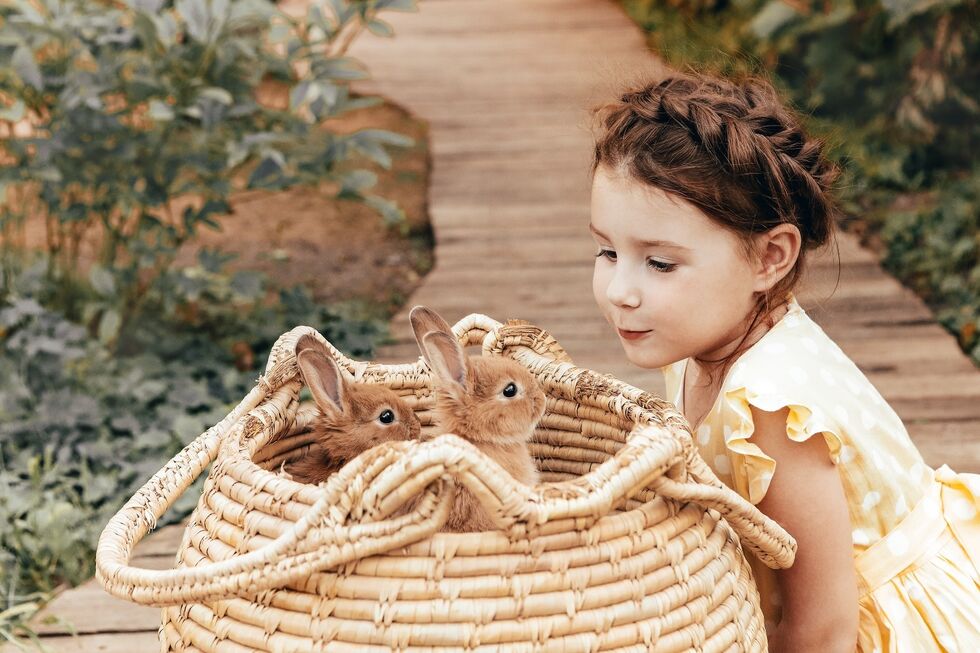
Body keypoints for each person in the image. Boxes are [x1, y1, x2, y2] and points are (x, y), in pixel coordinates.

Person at [588, 70, 980, 652]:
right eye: (607, 250)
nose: (621, 289)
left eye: (660, 264)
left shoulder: (772, 412)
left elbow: (823, 628)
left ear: (770, 257)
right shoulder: (700, 332)